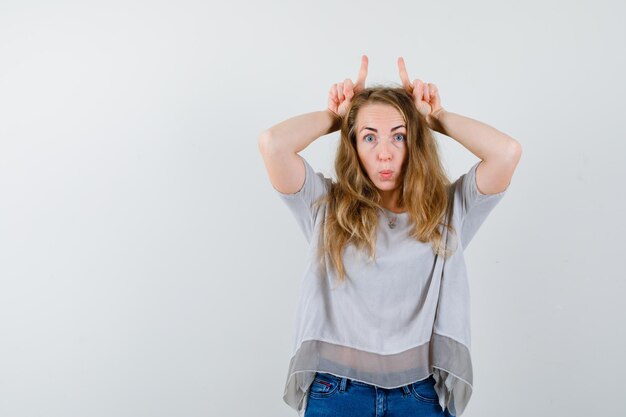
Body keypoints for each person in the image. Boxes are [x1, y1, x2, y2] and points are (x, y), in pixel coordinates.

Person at [258, 55, 522, 417]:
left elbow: (507, 153)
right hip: (337, 392)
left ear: (415, 142)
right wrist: (336, 117)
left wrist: (436, 118)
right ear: (353, 145)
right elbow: (272, 145)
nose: (385, 152)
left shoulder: (445, 211)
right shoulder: (327, 205)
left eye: (399, 136)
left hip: (419, 396)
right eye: (369, 137)